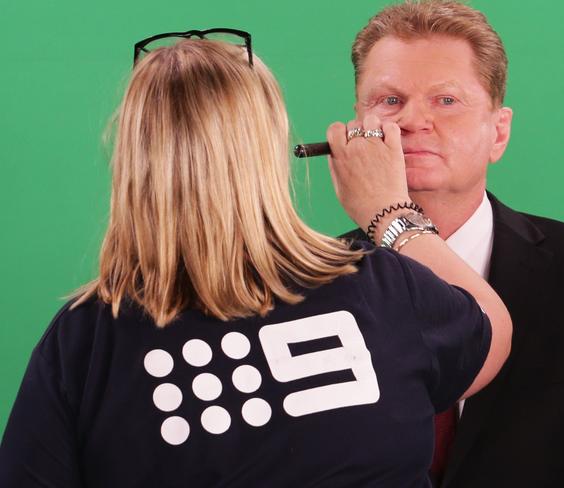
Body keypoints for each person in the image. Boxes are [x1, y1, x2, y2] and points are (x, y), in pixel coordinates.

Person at [0, 29, 512, 487]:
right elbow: (490, 328)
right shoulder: (379, 286)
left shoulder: (84, 341)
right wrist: (388, 213)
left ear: (133, 159)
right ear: (267, 149)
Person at [335, 2, 564, 487]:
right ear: (356, 125)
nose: (413, 120)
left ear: (498, 132)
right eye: (389, 101)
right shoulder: (299, 288)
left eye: (446, 101)